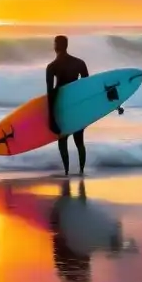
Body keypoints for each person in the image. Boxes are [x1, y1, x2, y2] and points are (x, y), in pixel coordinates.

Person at [46, 35, 89, 176]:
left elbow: (50, 93)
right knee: (79, 141)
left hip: (61, 106)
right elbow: (88, 88)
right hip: (77, 106)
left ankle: (66, 172)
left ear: (55, 46)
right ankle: (81, 171)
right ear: (66, 45)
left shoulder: (52, 67)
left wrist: (51, 117)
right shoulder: (79, 63)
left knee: (62, 140)